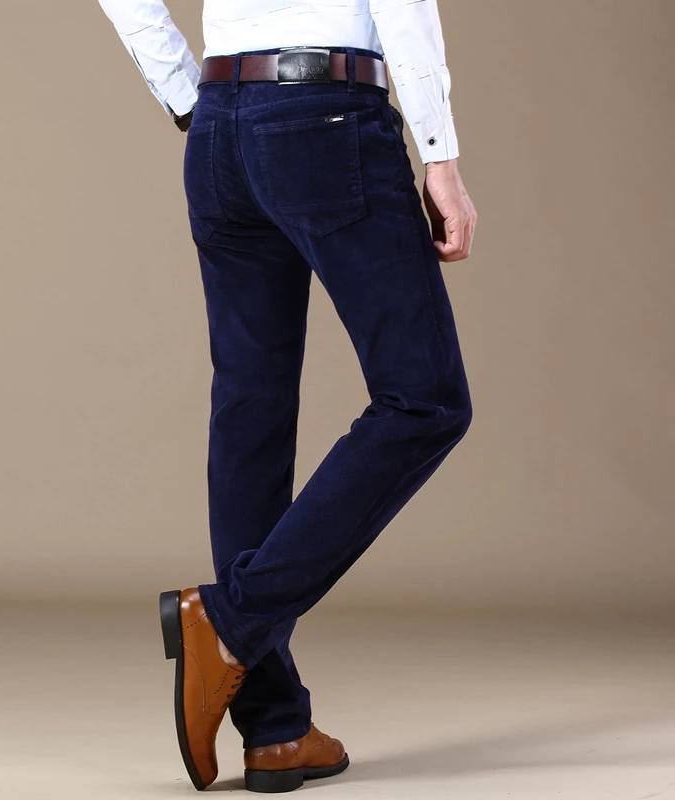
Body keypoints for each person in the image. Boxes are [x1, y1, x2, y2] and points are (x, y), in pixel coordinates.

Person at [97, 0, 477, 792]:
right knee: (426, 397)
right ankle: (230, 619)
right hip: (326, 120)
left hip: (218, 129)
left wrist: (186, 93)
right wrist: (439, 154)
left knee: (251, 409)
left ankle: (275, 731)